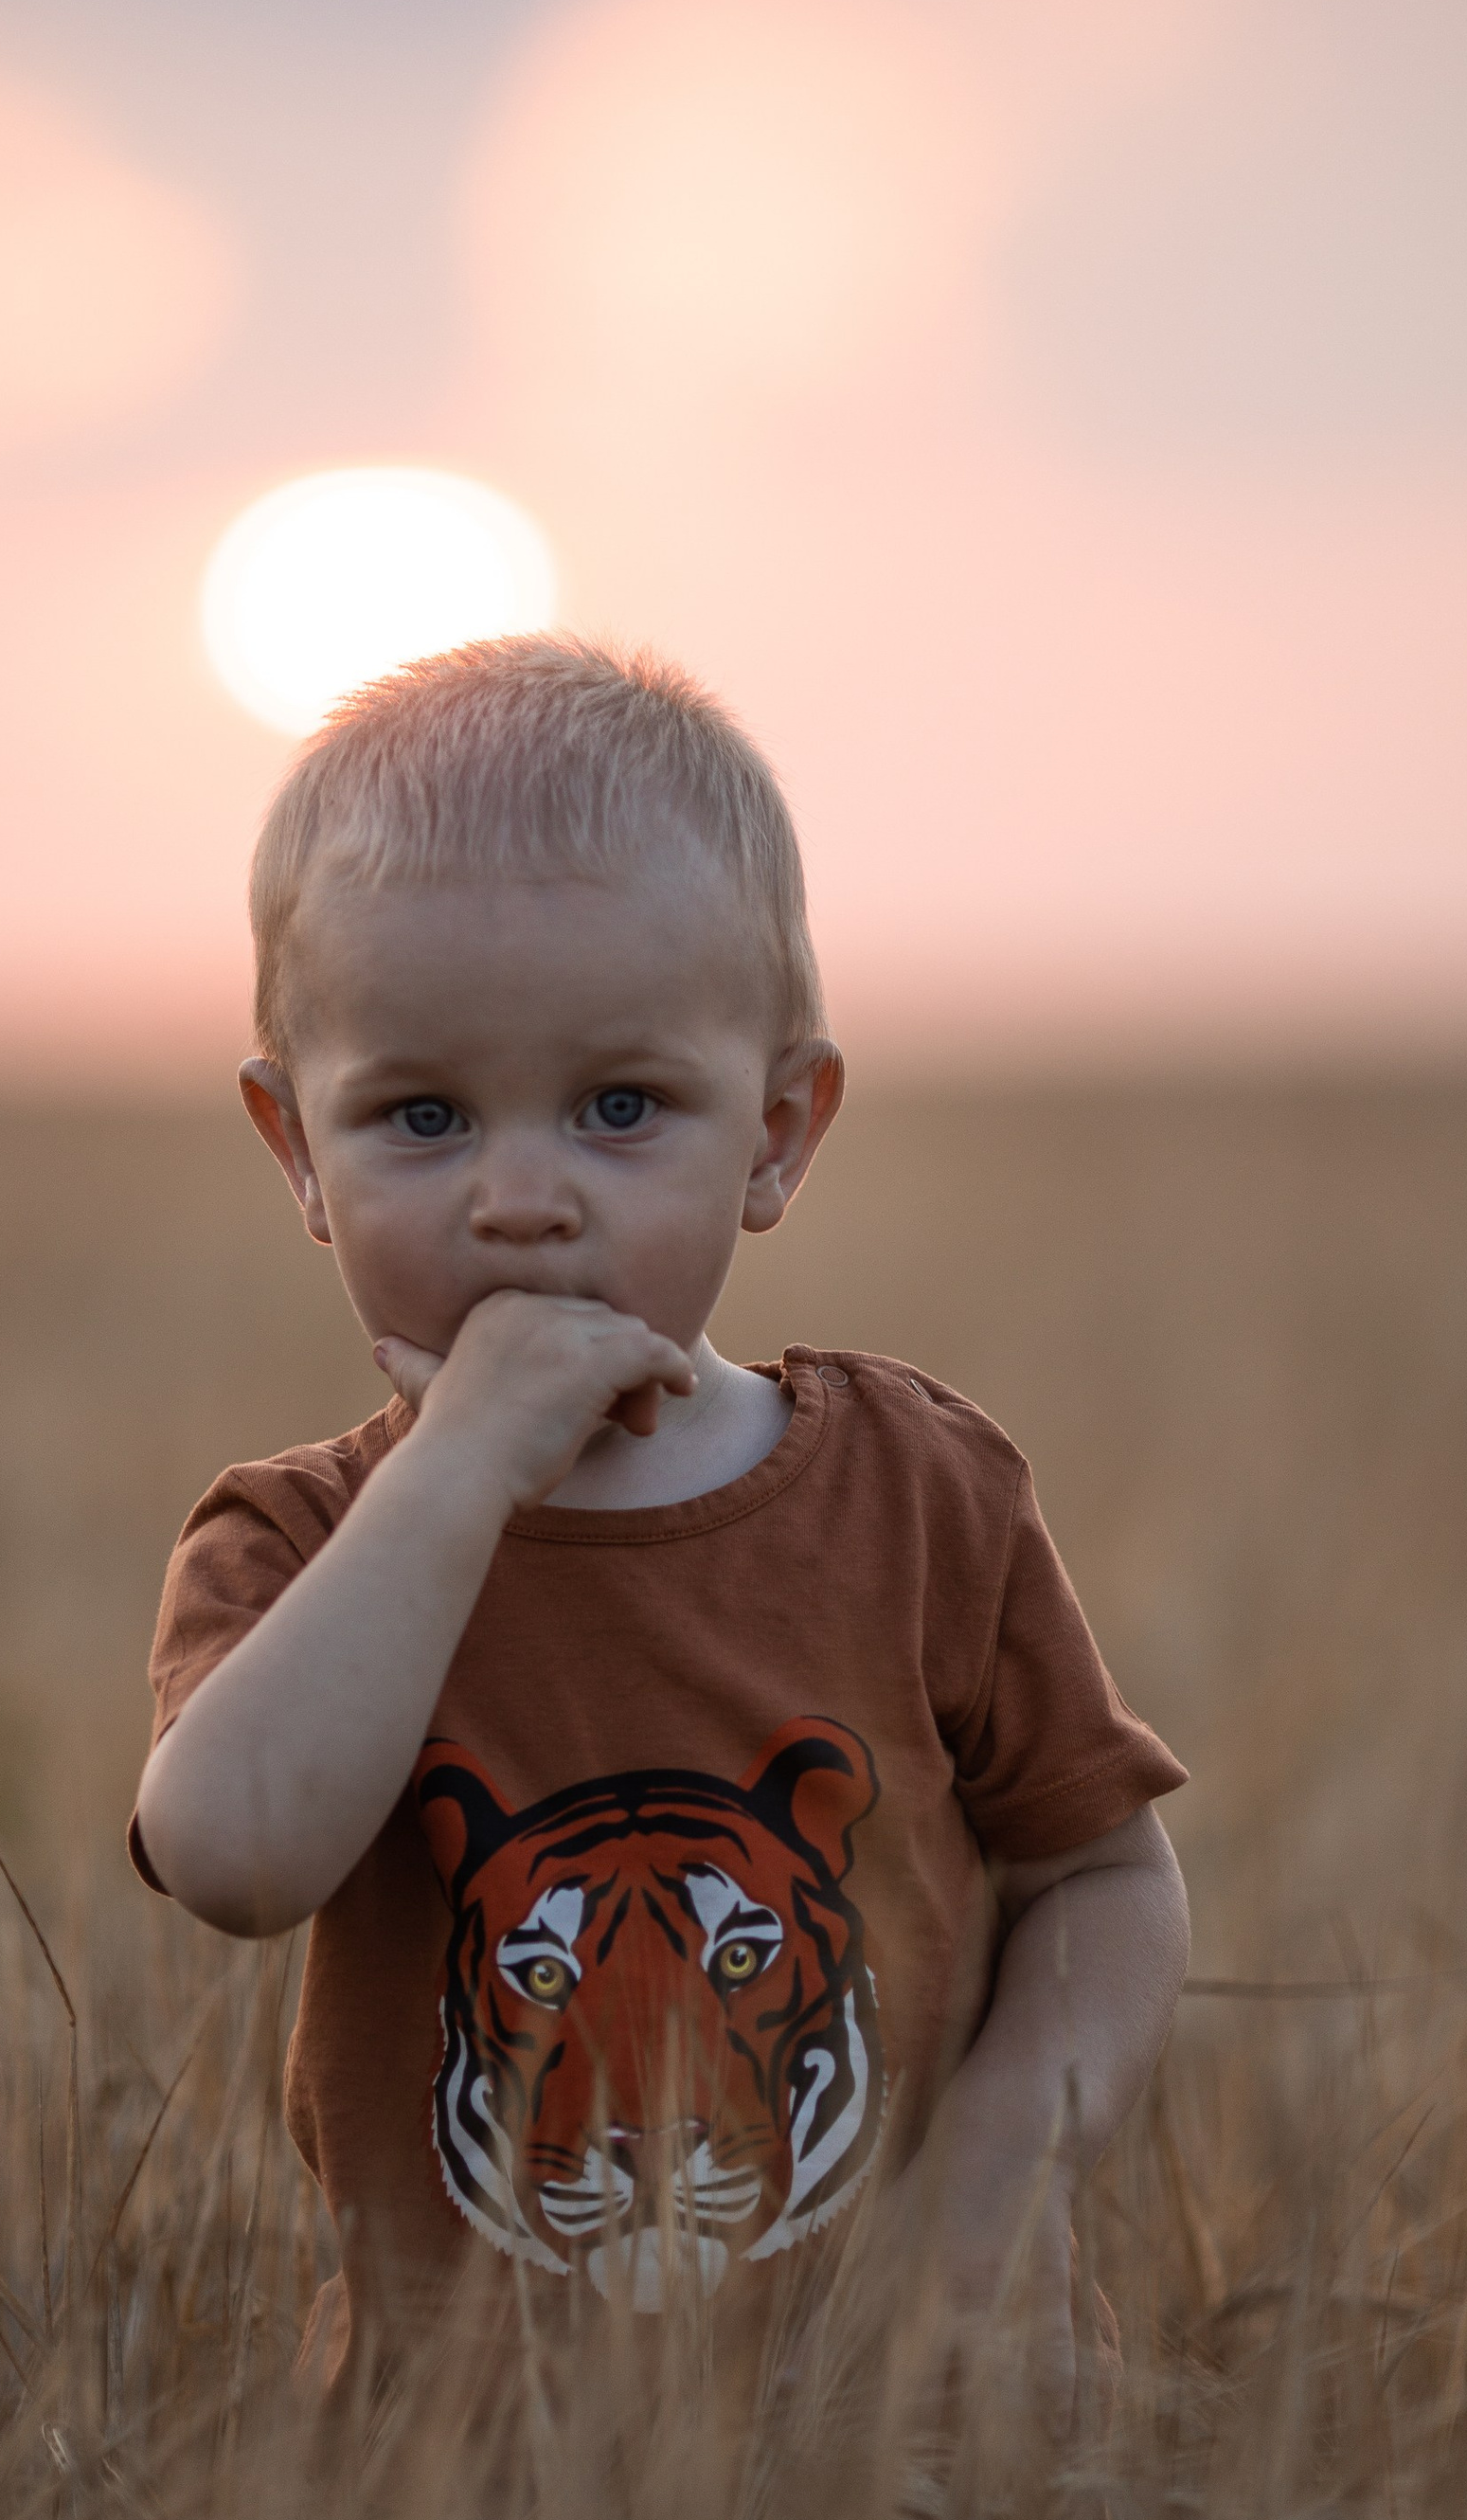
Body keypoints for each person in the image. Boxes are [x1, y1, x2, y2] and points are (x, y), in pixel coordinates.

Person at [132, 635, 1190, 2411]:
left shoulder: (920, 1492)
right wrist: (455, 1468)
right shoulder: (298, 1541)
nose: (523, 1201)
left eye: (623, 1108)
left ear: (776, 1134)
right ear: (294, 1153)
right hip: (455, 2504)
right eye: (420, 1116)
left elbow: (1102, 1876)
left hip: (918, 2461)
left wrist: (1006, 2173)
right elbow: (238, 1859)